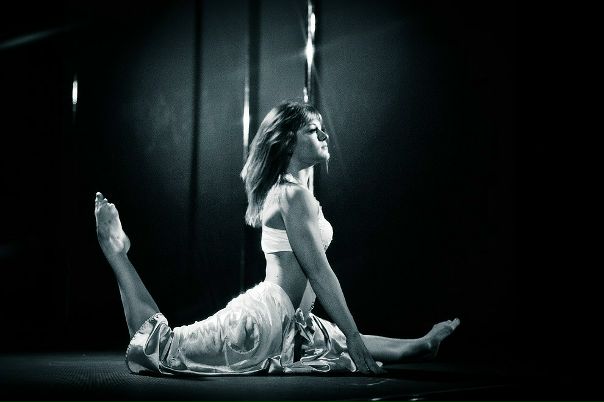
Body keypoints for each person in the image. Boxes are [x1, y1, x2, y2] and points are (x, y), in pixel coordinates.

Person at [94, 100, 460, 376]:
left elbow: (349, 333)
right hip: (262, 320)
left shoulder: (294, 194)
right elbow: (318, 271)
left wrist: (414, 341)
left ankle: (419, 345)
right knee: (162, 349)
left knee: (337, 341)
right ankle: (117, 252)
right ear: (288, 142)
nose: (324, 135)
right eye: (313, 130)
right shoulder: (291, 195)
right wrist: (351, 335)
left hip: (293, 321)